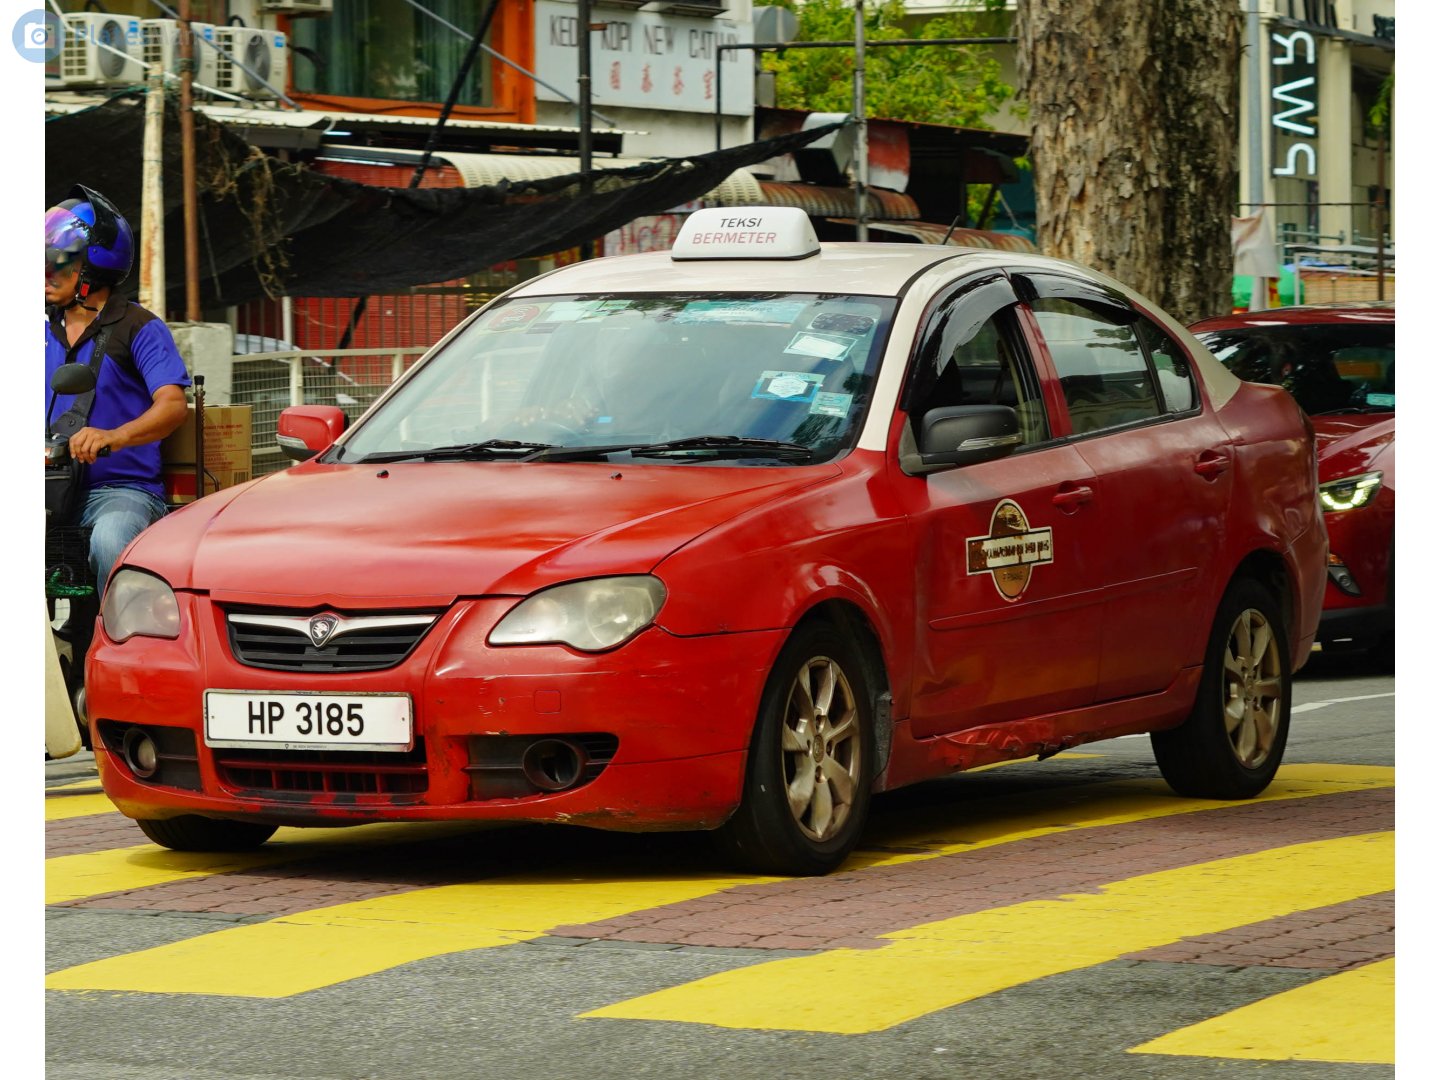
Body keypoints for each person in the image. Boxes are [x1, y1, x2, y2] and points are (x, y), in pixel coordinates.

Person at [44, 185, 191, 702]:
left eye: (56, 266)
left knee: (113, 542)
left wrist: (113, 436)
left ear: (91, 271)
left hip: (119, 489)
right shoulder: (37, 328)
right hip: (47, 486)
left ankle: (131, 669)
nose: (43, 276)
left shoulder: (140, 328)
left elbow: (172, 405)